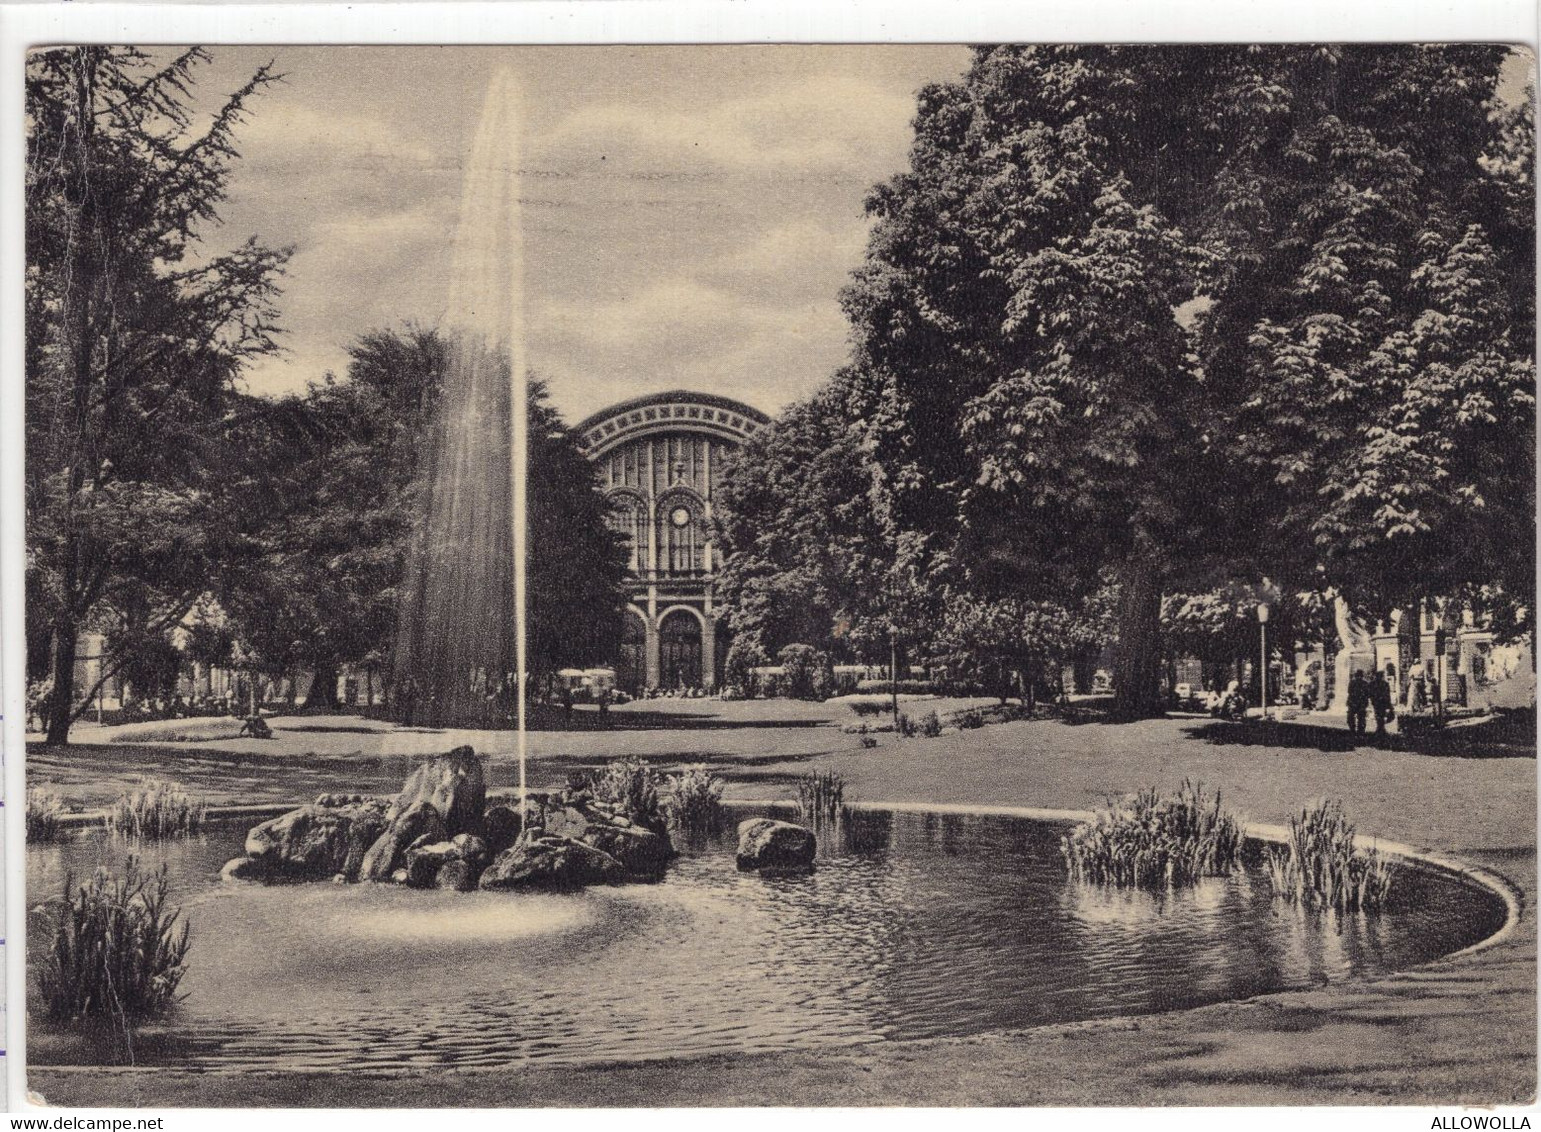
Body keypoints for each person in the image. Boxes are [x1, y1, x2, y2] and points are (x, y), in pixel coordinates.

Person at [1346, 671, 1369, 736]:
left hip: (1353, 702)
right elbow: (1367, 694)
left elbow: (1349, 692)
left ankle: (1353, 730)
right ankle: (1360, 731)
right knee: (1361, 717)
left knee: (1351, 717)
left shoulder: (1352, 683)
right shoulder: (1365, 683)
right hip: (1361, 702)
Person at [1370, 670, 1394, 735]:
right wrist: (1389, 703)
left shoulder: (1372, 683)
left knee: (1378, 714)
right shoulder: (1385, 683)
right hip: (1382, 701)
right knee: (1381, 715)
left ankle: (1380, 728)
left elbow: (1370, 693)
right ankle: (1381, 728)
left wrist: (1372, 699)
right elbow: (1387, 694)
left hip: (1376, 701)